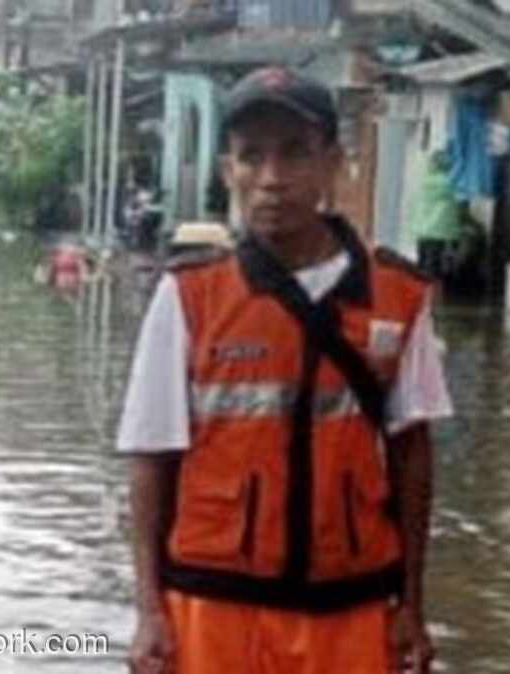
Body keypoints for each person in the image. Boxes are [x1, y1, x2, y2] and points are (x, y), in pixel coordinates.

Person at [118, 66, 453, 674]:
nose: (272, 179)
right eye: (252, 157)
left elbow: (413, 454)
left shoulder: (399, 297)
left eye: (295, 154)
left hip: (350, 607)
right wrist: (149, 610)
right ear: (229, 173)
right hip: (212, 603)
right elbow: (150, 456)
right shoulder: (189, 295)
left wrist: (413, 604)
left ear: (332, 164)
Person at [408, 151, 461, 281]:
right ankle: (431, 295)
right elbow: (454, 210)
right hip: (438, 232)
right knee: (433, 267)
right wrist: (455, 236)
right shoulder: (449, 184)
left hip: (422, 231)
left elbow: (414, 205)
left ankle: (419, 293)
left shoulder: (421, 182)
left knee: (422, 263)